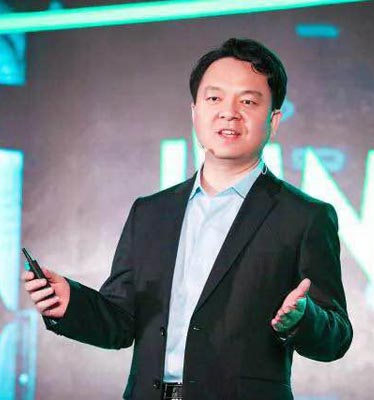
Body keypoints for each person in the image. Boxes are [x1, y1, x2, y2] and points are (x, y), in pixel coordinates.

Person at [23, 37, 353, 400]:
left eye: (247, 101)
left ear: (273, 121)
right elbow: (121, 323)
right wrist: (70, 303)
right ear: (195, 112)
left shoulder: (305, 217)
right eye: (214, 98)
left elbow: (336, 337)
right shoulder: (150, 213)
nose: (229, 112)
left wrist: (303, 318)